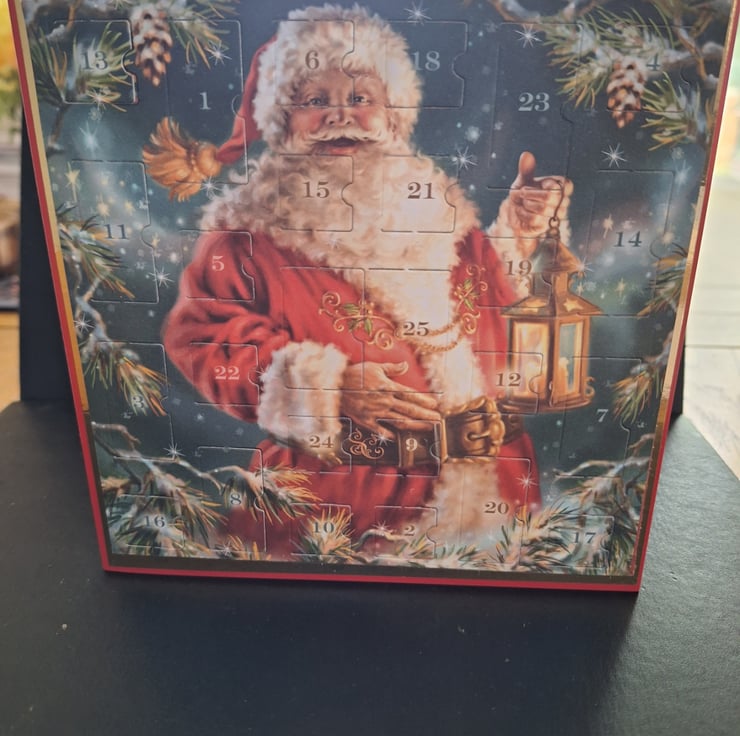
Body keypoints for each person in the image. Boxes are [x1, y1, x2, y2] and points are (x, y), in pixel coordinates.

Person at [151, 4, 572, 562]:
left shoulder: (442, 211)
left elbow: (489, 312)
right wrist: (327, 385)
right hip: (341, 498)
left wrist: (516, 234)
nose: (339, 116)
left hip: (492, 484)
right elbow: (202, 336)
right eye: (314, 100)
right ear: (281, 121)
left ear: (393, 114)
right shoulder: (246, 236)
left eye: (360, 97)